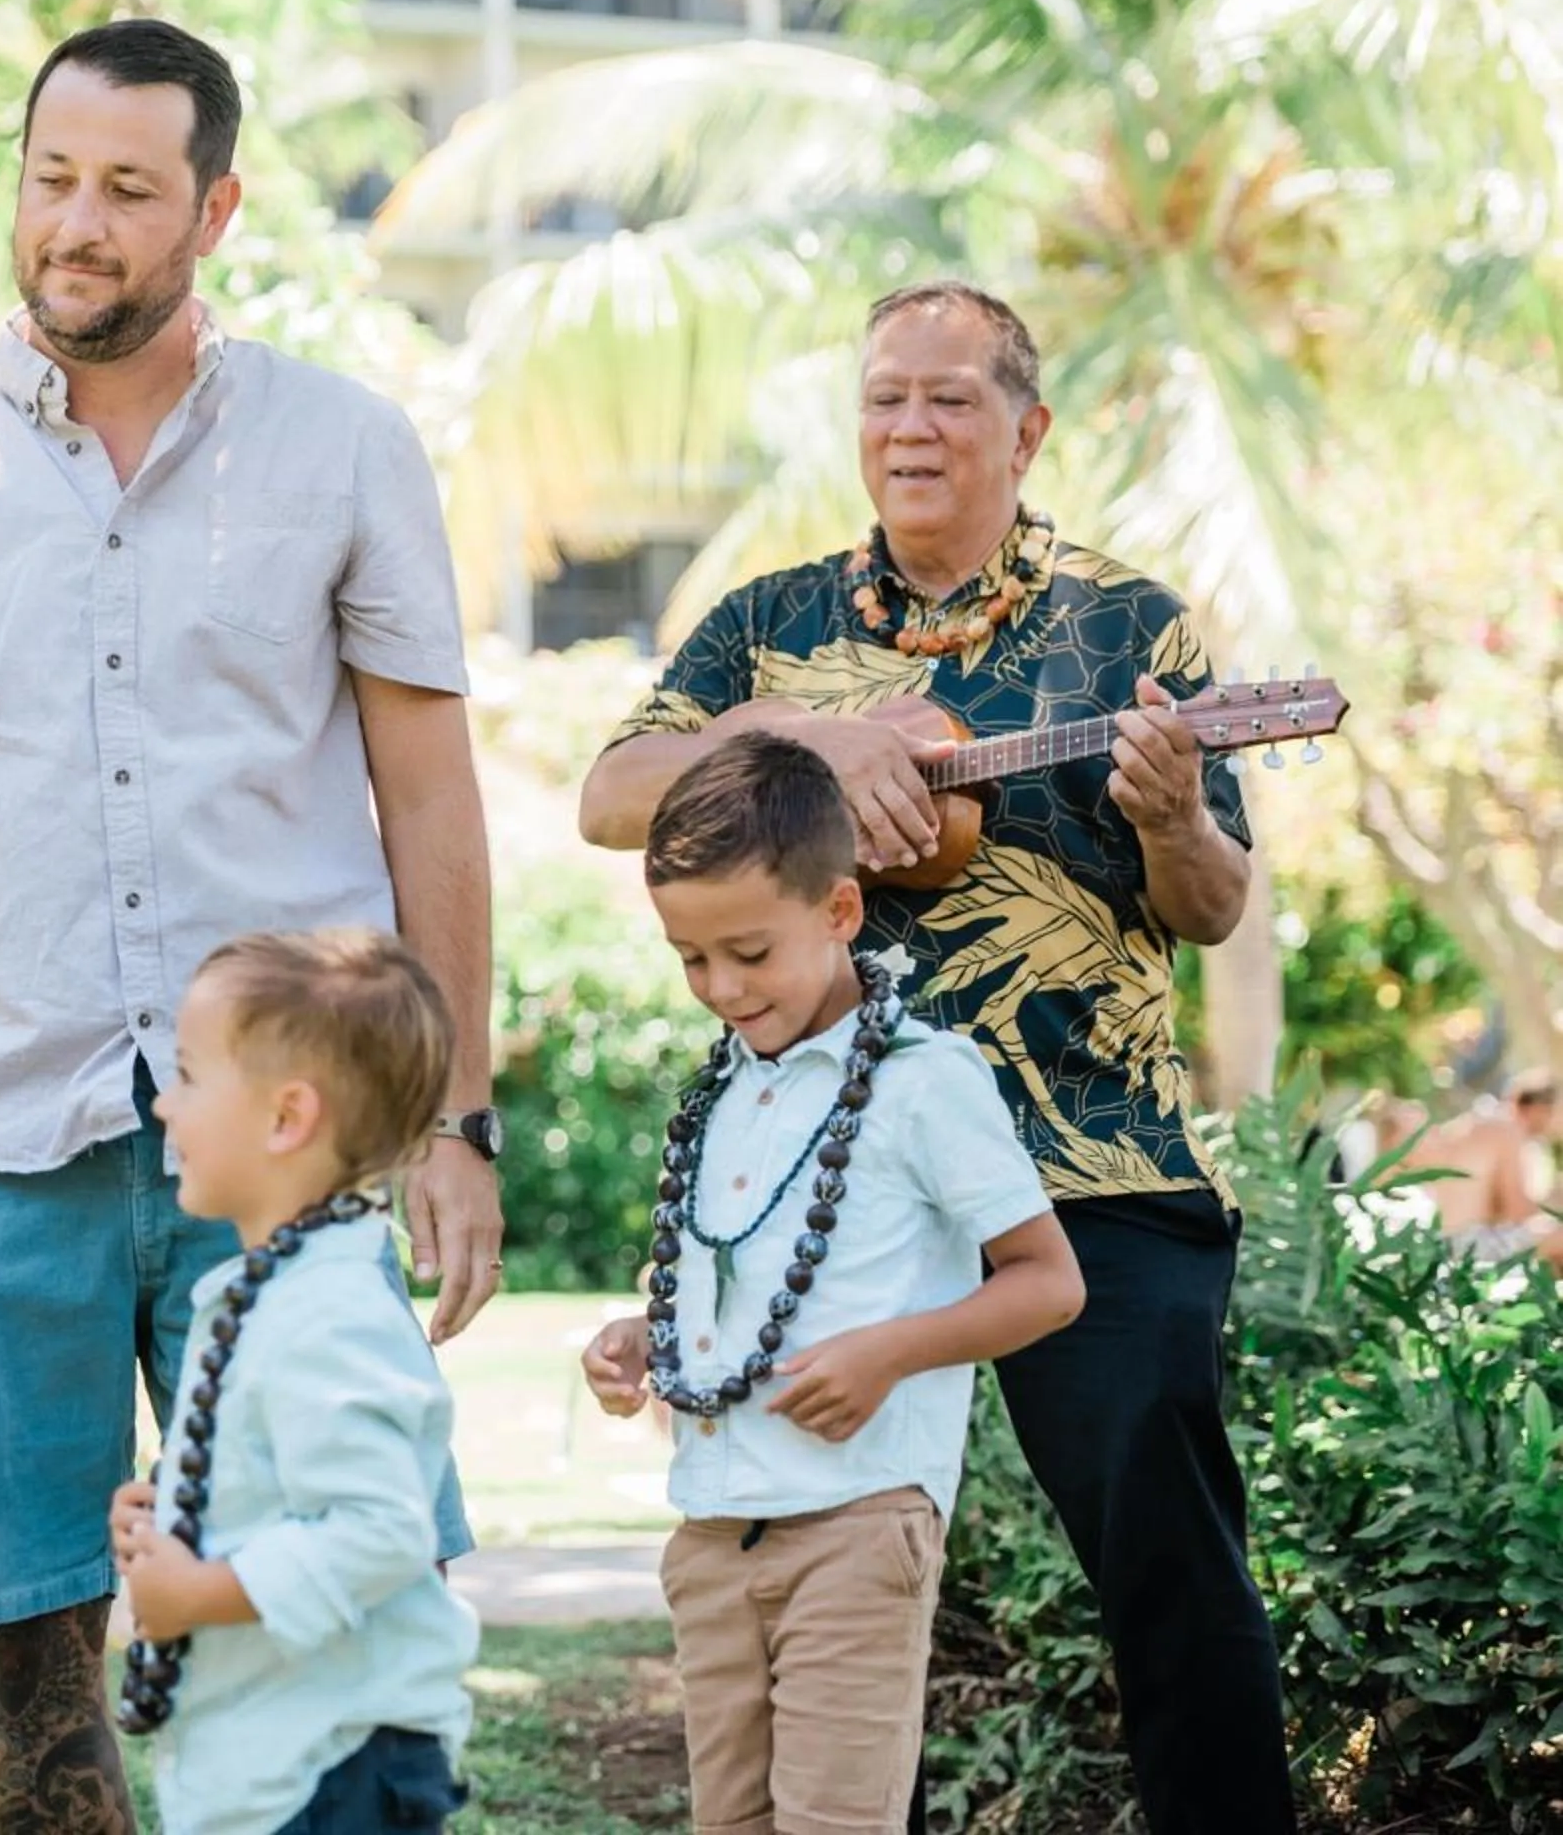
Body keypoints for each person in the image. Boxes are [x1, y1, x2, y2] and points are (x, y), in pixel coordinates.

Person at [0, 16, 500, 1830]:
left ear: (218, 206)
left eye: (128, 190)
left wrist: (455, 1118)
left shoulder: (345, 448)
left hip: (293, 1139)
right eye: (51, 178)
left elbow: (429, 801)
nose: (75, 224)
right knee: (31, 1652)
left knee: (337, 1591)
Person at [578, 279, 1294, 1834]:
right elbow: (613, 788)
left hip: (1088, 1161)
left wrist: (1172, 813)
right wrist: (803, 745)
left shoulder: (1129, 627)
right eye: (884, 397)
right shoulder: (771, 623)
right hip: (836, 1172)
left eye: (949, 398)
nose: (910, 426)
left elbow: (1217, 904)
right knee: (820, 1573)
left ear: (1026, 430)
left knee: (1167, 1559)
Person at [579, 734, 1083, 1835]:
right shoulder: (726, 1089)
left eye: (748, 951)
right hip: (714, 1530)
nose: (720, 987)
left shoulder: (922, 1082)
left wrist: (886, 1351)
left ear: (841, 912)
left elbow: (1050, 1284)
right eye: (692, 959)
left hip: (857, 1521)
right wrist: (645, 1333)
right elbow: (736, 1273)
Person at [107, 929, 479, 1835]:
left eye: (189, 1076)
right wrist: (177, 1515)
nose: (164, 1107)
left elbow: (378, 1529)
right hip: (275, 1751)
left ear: (286, 1118)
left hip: (336, 1767)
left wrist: (198, 1593)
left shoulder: (333, 1316)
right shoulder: (266, 1292)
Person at [1398, 1069, 1559, 1266]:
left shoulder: (1479, 1121)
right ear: (1541, 1110)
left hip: (1442, 1240)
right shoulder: (1507, 1129)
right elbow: (1517, 1210)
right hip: (1467, 1246)